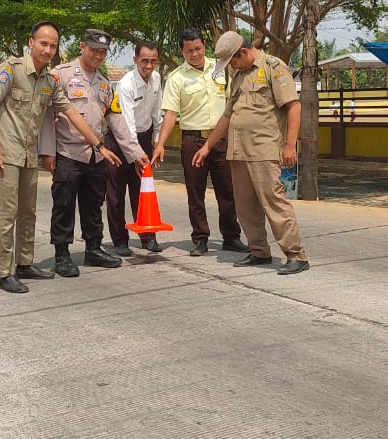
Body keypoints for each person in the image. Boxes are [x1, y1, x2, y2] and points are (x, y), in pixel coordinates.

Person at [0, 22, 122, 294]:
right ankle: (5, 271)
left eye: (53, 45)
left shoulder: (49, 82)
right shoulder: (11, 70)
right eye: (43, 43)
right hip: (8, 153)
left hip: (28, 155)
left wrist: (98, 146)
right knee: (8, 213)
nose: (48, 50)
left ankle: (24, 263)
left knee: (28, 212)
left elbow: (72, 114)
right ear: (31, 42)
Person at [193, 31, 309, 275]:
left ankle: (295, 254)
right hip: (238, 151)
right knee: (245, 206)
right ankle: (258, 251)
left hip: (264, 150)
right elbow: (228, 115)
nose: (232, 66)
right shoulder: (238, 76)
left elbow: (293, 106)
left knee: (274, 202)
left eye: (233, 61)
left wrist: (290, 145)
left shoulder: (273, 68)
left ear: (243, 52)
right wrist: (207, 146)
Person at [38, 29, 146, 277]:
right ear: (82, 47)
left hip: (97, 155)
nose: (99, 55)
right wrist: (46, 151)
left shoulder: (105, 84)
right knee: (63, 205)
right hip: (67, 152)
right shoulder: (60, 76)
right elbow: (46, 116)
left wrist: (135, 152)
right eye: (94, 50)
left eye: (103, 52)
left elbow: (117, 119)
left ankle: (94, 248)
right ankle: (62, 254)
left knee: (94, 204)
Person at [151, 27, 248, 257]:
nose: (195, 54)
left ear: (204, 46)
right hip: (193, 141)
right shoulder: (176, 79)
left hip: (221, 139)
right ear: (181, 52)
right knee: (196, 193)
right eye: (189, 51)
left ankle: (231, 236)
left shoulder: (221, 68)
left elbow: (233, 101)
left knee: (228, 191)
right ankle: (200, 238)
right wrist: (160, 143)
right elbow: (171, 114)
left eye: (198, 48)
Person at [105, 40, 163, 256]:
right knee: (116, 193)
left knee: (143, 189)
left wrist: (157, 142)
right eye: (144, 61)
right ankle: (120, 240)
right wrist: (137, 155)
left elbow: (157, 114)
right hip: (121, 141)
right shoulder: (126, 84)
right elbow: (127, 125)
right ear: (135, 60)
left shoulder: (156, 79)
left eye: (153, 61)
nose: (149, 66)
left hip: (144, 137)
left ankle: (148, 237)